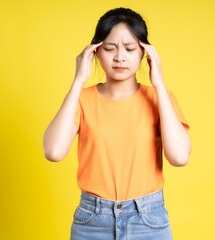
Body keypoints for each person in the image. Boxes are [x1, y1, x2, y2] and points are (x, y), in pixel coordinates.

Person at [43, 7, 191, 240]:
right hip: (92, 221)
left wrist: (159, 84)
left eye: (130, 49)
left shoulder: (161, 99)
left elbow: (180, 157)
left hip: (148, 220)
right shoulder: (81, 100)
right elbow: (53, 151)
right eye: (110, 48)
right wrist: (78, 80)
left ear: (144, 53)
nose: (119, 57)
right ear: (95, 52)